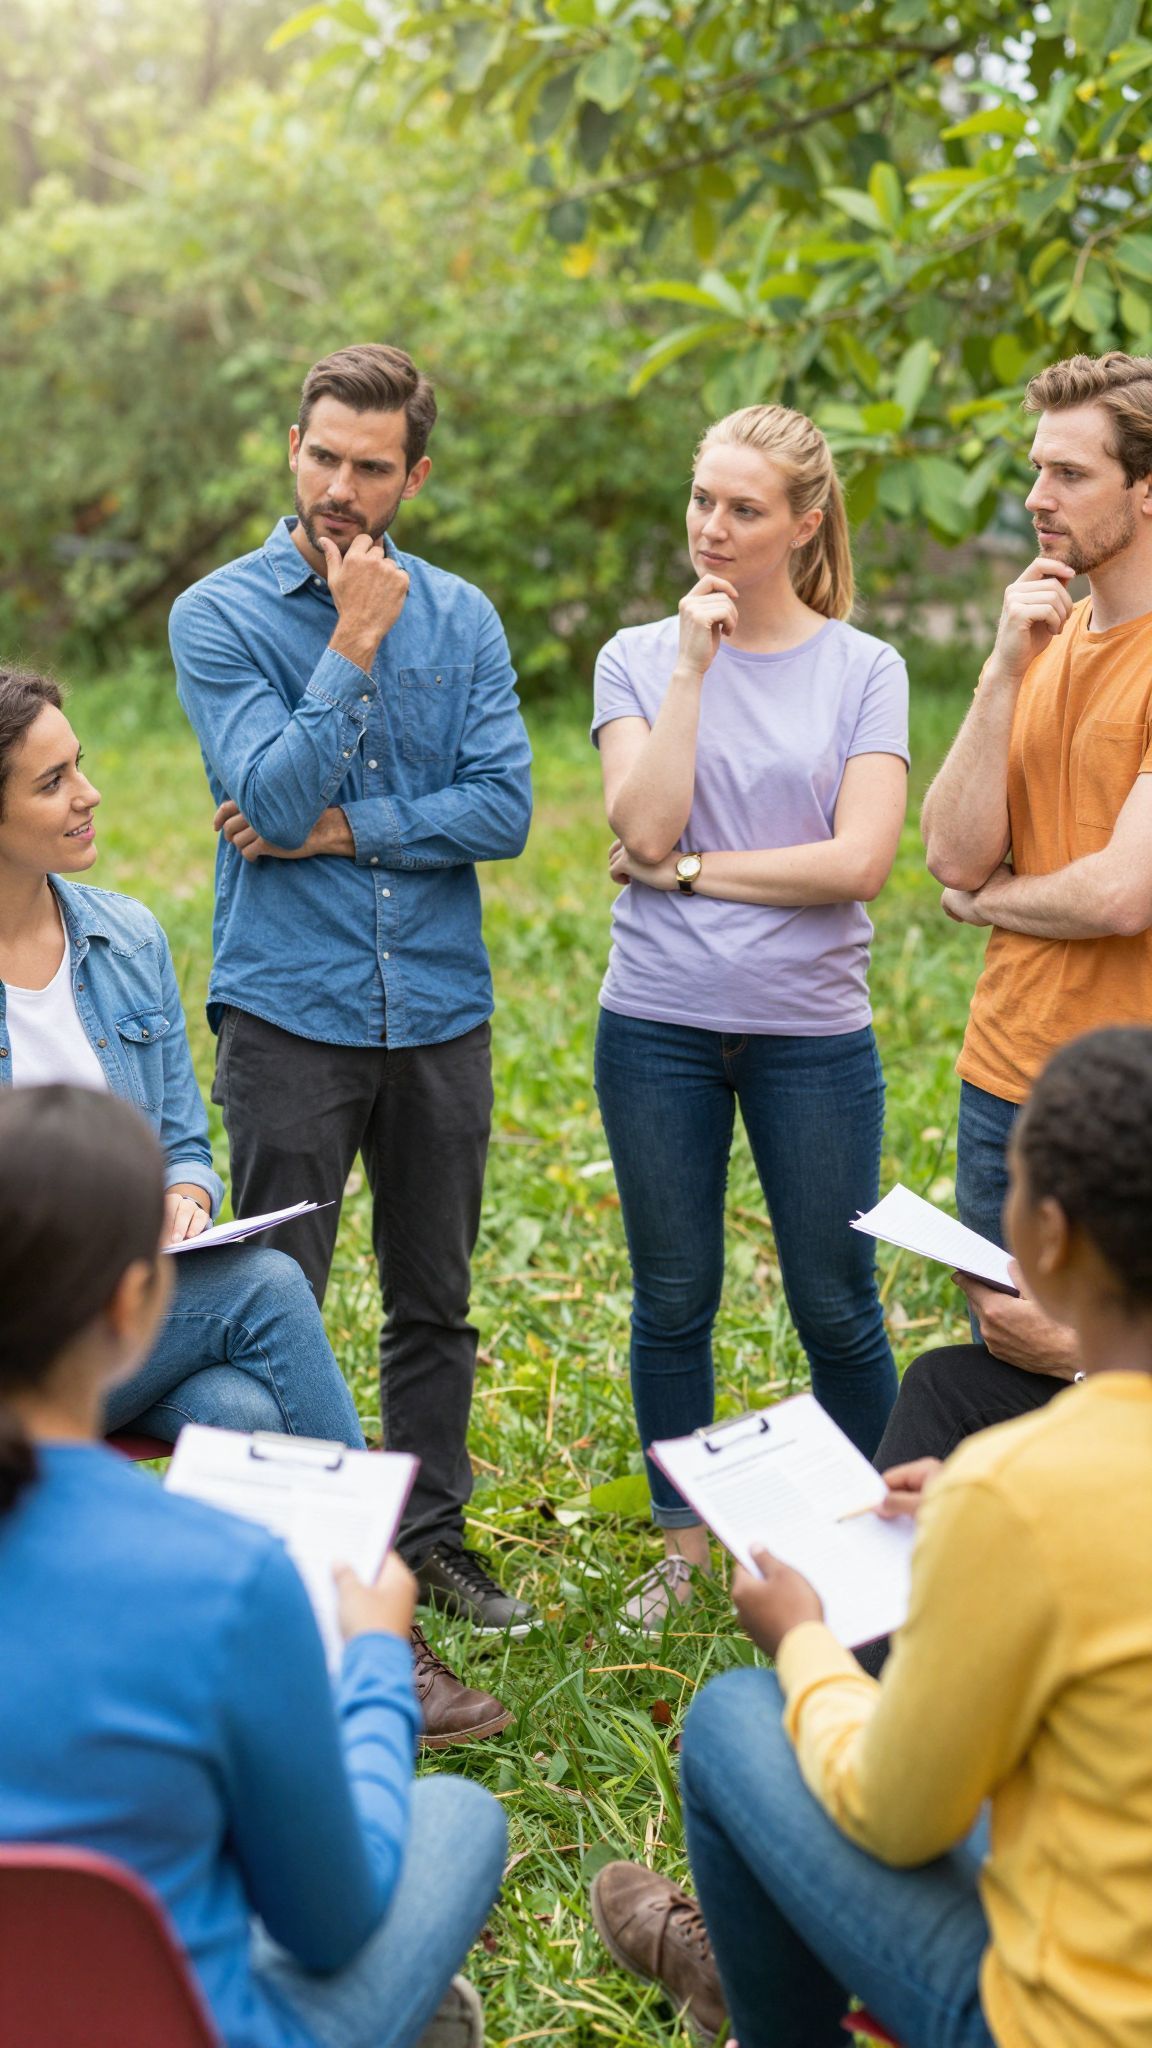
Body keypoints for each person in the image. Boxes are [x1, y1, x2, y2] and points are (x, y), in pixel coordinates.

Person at [590, 1024, 1152, 2048]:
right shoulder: (1016, 1488)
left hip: (1075, 2015)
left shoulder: (1022, 1491)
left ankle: (755, 1981)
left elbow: (900, 1814)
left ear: (1051, 1236)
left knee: (731, 1720)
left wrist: (802, 1634)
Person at [169, 344, 536, 1682]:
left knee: (434, 1301)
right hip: (289, 1010)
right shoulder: (217, 617)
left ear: (414, 477)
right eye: (321, 455)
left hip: (438, 1007)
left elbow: (503, 807)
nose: (339, 485)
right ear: (293, 447)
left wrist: (342, 832)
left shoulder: (468, 620)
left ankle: (426, 1534)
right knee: (280, 1296)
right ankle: (288, 1575)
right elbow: (263, 800)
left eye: (369, 467)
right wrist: (350, 642)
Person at [0, 1083, 507, 2048]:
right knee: (458, 1819)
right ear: (135, 1300)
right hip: (198, 2022)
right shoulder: (231, 1576)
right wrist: (369, 1662)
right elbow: (330, 1921)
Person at [591, 403, 909, 1629]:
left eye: (744, 509)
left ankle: (881, 1536)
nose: (712, 530)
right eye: (701, 500)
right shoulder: (637, 656)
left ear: (805, 522)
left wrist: (686, 877)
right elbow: (647, 822)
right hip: (658, 1023)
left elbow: (859, 862)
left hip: (812, 1032)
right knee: (673, 1292)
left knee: (837, 1296)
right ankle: (685, 1550)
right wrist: (689, 667)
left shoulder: (863, 668)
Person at [891, 350, 1152, 1464]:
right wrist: (1003, 666)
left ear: (1147, 489)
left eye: (1071, 474)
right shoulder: (1043, 639)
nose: (1037, 497)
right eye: (1035, 469)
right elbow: (949, 846)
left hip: (1124, 1095)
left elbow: (1121, 890)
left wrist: (988, 901)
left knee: (1108, 1379)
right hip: (1001, 1079)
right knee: (1007, 1366)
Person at [0, 666, 363, 1451]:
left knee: (242, 1415)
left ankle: (248, 1571)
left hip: (109, 1318)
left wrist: (184, 1196)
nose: (88, 794)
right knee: (264, 1286)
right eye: (53, 781)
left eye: (80, 765)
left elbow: (183, 1146)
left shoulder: (127, 941)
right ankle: (369, 1562)